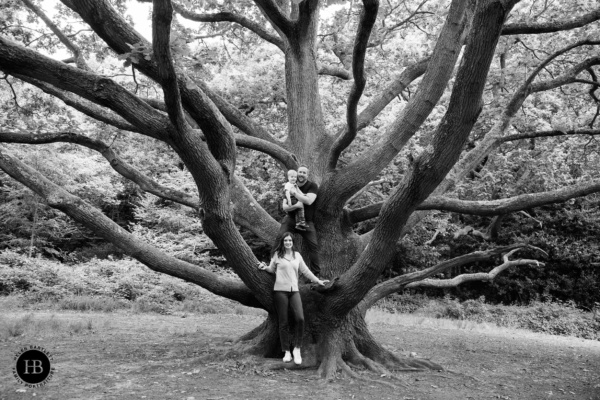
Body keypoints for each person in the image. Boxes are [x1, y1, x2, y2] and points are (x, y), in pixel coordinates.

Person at [258, 232, 329, 365]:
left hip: (294, 291)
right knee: (283, 322)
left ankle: (297, 348)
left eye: (290, 240)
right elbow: (271, 269)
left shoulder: (297, 256)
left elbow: (306, 271)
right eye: (286, 240)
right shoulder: (277, 255)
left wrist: (318, 281)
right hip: (280, 292)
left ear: (293, 242)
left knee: (300, 318)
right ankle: (286, 351)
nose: (288, 242)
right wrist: (264, 267)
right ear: (283, 242)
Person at [277, 165, 321, 276]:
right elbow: (285, 207)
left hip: (306, 222)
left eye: (304, 172)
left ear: (307, 175)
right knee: (280, 240)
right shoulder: (289, 185)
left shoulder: (312, 186)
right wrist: (297, 205)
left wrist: (295, 193)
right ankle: (277, 269)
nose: (301, 174)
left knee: (313, 246)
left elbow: (309, 201)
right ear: (296, 173)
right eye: (299, 172)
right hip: (291, 219)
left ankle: (315, 274)